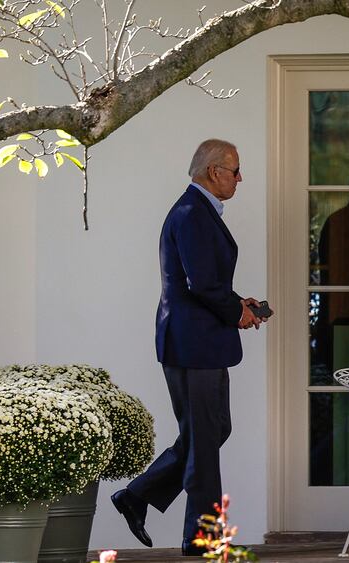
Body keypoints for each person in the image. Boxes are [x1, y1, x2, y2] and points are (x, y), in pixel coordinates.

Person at [111, 138, 269, 556]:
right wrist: (235, 313)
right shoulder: (191, 213)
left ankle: (137, 494)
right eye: (235, 170)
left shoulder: (197, 212)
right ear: (214, 172)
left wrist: (239, 303)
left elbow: (203, 283)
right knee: (203, 439)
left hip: (198, 341)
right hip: (192, 344)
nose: (240, 178)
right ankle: (202, 538)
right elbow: (200, 285)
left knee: (214, 430)